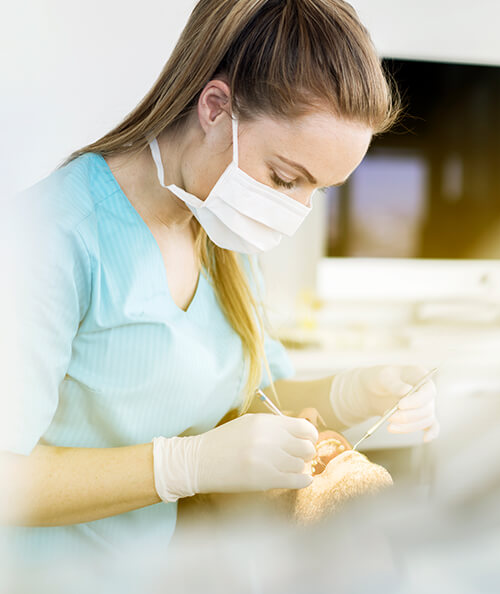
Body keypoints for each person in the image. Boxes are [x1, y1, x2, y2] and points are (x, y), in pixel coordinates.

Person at [0, 0, 439, 560]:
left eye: (318, 191)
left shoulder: (219, 228)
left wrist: (350, 393)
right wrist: (183, 465)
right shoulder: (54, 238)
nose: (295, 210)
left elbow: (250, 401)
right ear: (214, 108)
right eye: (285, 178)